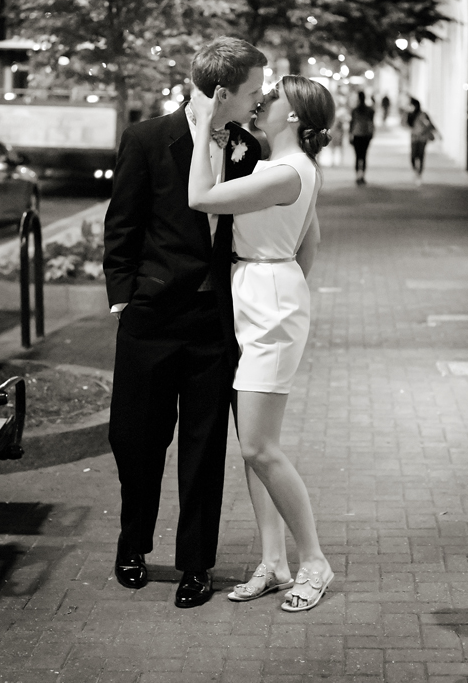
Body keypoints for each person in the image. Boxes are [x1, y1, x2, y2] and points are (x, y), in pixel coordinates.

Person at [103, 36, 266, 609]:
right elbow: (122, 224)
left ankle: (196, 562)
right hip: (150, 318)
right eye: (252, 90)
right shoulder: (147, 139)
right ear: (221, 92)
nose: (259, 99)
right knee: (136, 441)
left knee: (204, 448)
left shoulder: (248, 147)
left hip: (213, 324)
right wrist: (124, 298)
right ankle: (132, 544)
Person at [188, 74, 335, 613]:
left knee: (258, 446)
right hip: (260, 291)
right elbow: (311, 240)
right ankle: (273, 562)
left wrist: (205, 122)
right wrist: (285, 281)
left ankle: (313, 561)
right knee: (254, 442)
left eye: (271, 97)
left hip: (267, 301)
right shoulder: (288, 169)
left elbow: (201, 198)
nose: (263, 101)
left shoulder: (286, 171)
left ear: (294, 115)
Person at [407, 97, 440, 185]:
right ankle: (416, 171)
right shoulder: (410, 114)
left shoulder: (423, 114)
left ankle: (419, 174)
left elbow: (430, 124)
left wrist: (437, 133)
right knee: (413, 155)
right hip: (414, 137)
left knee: (421, 155)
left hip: (422, 138)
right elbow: (405, 124)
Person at [349, 90, 375, 185]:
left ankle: (357, 176)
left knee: (357, 156)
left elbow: (351, 124)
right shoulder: (370, 110)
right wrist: (372, 133)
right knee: (364, 155)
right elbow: (371, 123)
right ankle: (362, 176)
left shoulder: (355, 110)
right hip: (366, 134)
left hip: (357, 134)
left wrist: (350, 134)